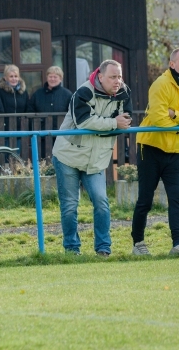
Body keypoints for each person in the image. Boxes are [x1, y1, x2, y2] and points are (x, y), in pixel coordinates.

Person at [52, 59, 131, 256]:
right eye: (113, 77)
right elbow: (84, 122)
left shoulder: (124, 93)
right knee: (70, 206)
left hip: (96, 159)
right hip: (68, 156)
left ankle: (103, 248)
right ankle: (72, 250)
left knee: (101, 202)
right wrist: (113, 123)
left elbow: (126, 121)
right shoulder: (83, 92)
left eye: (119, 76)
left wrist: (112, 123)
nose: (118, 81)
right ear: (100, 77)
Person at [132, 48, 179, 257]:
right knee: (145, 199)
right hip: (150, 147)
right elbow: (158, 119)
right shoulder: (160, 84)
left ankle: (178, 244)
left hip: (175, 150)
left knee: (177, 198)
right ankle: (138, 243)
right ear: (172, 64)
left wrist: (175, 114)